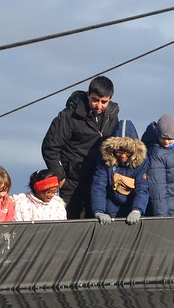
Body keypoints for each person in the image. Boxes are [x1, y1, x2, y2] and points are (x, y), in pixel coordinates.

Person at [41, 75, 120, 219]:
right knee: (72, 224)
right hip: (72, 181)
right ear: (88, 95)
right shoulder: (69, 116)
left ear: (110, 98)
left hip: (98, 180)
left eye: (104, 102)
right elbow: (50, 147)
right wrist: (60, 175)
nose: (99, 106)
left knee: (97, 222)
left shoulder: (112, 115)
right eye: (95, 100)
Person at [91, 119, 150, 225]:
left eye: (127, 152)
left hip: (133, 209)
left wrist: (137, 210)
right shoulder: (105, 160)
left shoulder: (142, 161)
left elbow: (142, 188)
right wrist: (99, 211)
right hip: (110, 209)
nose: (123, 155)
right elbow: (99, 186)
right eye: (119, 151)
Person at [141, 114, 174, 217]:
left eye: (169, 138)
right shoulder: (156, 153)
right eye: (163, 138)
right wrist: (162, 219)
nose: (166, 141)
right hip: (167, 213)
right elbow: (157, 190)